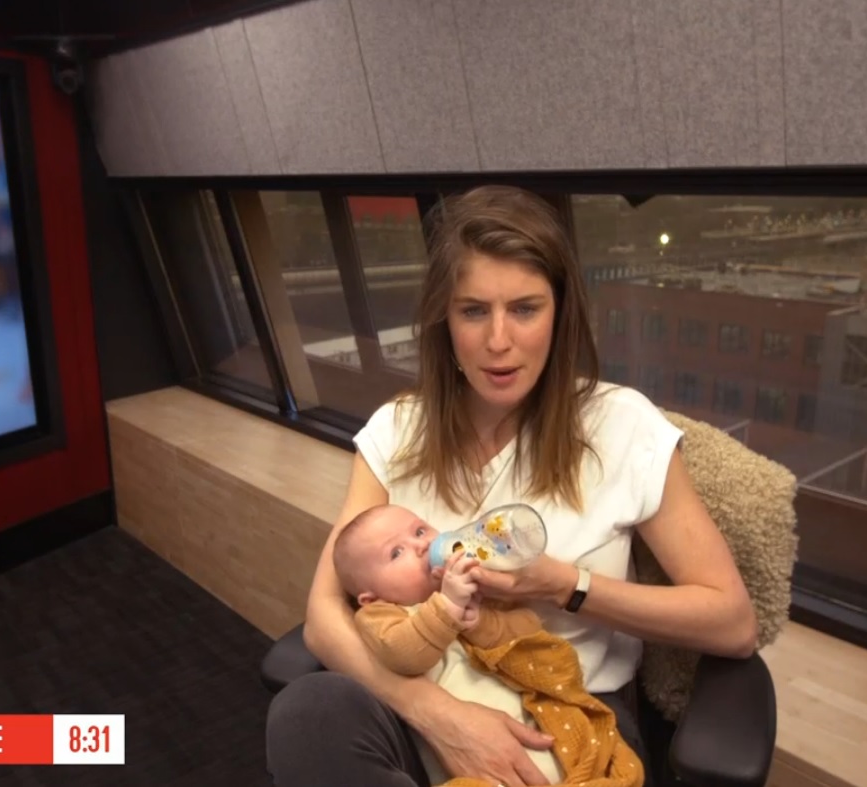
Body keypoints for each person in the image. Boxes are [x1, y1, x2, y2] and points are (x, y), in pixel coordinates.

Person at [265, 185, 759, 787]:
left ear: (560, 315)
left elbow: (732, 622)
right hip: (420, 702)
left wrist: (564, 586)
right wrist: (442, 718)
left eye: (525, 309)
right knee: (307, 714)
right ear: (445, 321)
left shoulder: (622, 427)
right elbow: (324, 617)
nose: (499, 340)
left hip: (565, 716)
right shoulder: (397, 430)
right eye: (474, 311)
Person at [334, 504, 644, 786]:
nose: (422, 545)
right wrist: (448, 607)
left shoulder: (473, 589)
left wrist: (483, 623)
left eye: (419, 531)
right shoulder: (382, 615)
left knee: (607, 757)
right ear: (370, 598)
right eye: (396, 553)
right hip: (473, 771)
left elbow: (528, 637)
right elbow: (403, 654)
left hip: (540, 732)